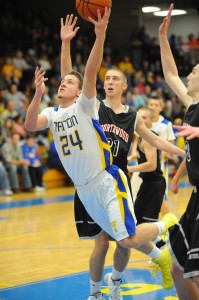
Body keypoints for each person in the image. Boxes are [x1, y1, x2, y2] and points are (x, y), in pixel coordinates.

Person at [25, 9, 184, 300]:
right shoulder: (84, 107)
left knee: (123, 241)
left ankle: (163, 230)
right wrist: (65, 44)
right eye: (105, 78)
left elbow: (83, 76)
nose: (107, 81)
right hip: (84, 187)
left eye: (113, 78)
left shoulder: (100, 108)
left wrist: (183, 152)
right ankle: (116, 281)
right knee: (108, 241)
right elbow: (69, 78)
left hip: (109, 178)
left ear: (124, 86)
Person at [158, 3, 199, 299]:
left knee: (195, 269)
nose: (189, 74)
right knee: (177, 268)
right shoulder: (191, 104)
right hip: (195, 196)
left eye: (195, 71)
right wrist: (162, 36)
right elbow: (170, 73)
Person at [128, 107, 166, 228]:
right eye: (139, 117)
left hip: (154, 184)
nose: (140, 120)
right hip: (148, 183)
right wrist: (130, 158)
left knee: (147, 224)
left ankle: (166, 236)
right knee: (138, 221)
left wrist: (130, 169)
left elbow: (151, 165)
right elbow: (142, 153)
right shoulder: (142, 136)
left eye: (144, 118)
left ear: (151, 121)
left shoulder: (147, 138)